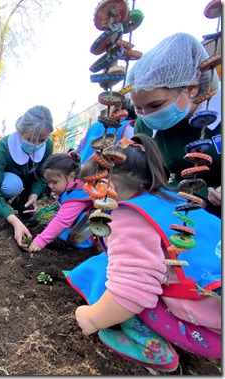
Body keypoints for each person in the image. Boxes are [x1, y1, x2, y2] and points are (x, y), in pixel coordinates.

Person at [65, 134, 221, 371]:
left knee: (122, 292)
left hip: (212, 332)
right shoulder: (172, 198)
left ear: (106, 187)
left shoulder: (129, 217)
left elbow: (131, 291)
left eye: (90, 190)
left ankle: (152, 349)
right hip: (214, 301)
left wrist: (92, 318)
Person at [126, 32, 221, 217]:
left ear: (192, 88)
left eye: (156, 105)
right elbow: (149, 178)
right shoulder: (145, 126)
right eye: (138, 108)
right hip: (180, 206)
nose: (147, 115)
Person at [0, 105, 54, 249]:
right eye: (31, 139)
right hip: (1, 179)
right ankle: (1, 207)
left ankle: (22, 202)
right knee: (12, 184)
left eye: (42, 140)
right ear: (20, 132)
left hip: (25, 178)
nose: (36, 145)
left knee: (37, 183)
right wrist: (14, 221)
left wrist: (34, 195)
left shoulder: (48, 145)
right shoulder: (4, 146)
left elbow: (41, 175)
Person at [27, 151, 95, 252]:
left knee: (60, 219)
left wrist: (41, 240)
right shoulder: (77, 181)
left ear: (71, 176)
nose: (50, 186)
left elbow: (62, 221)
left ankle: (77, 244)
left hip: (89, 231)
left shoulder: (76, 195)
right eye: (48, 182)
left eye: (54, 182)